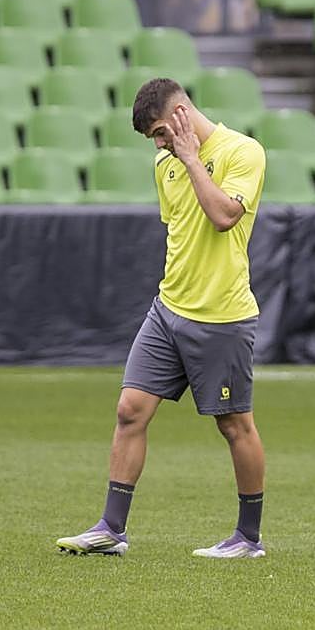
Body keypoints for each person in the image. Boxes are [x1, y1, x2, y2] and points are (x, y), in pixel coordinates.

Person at [56, 78, 268, 559]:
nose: (158, 145)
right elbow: (179, 233)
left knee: (234, 425)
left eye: (160, 133)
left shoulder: (243, 152)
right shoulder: (163, 164)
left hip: (222, 317)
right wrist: (179, 157)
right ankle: (111, 528)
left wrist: (192, 158)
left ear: (181, 115)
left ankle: (249, 538)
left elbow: (223, 218)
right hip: (168, 310)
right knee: (130, 409)